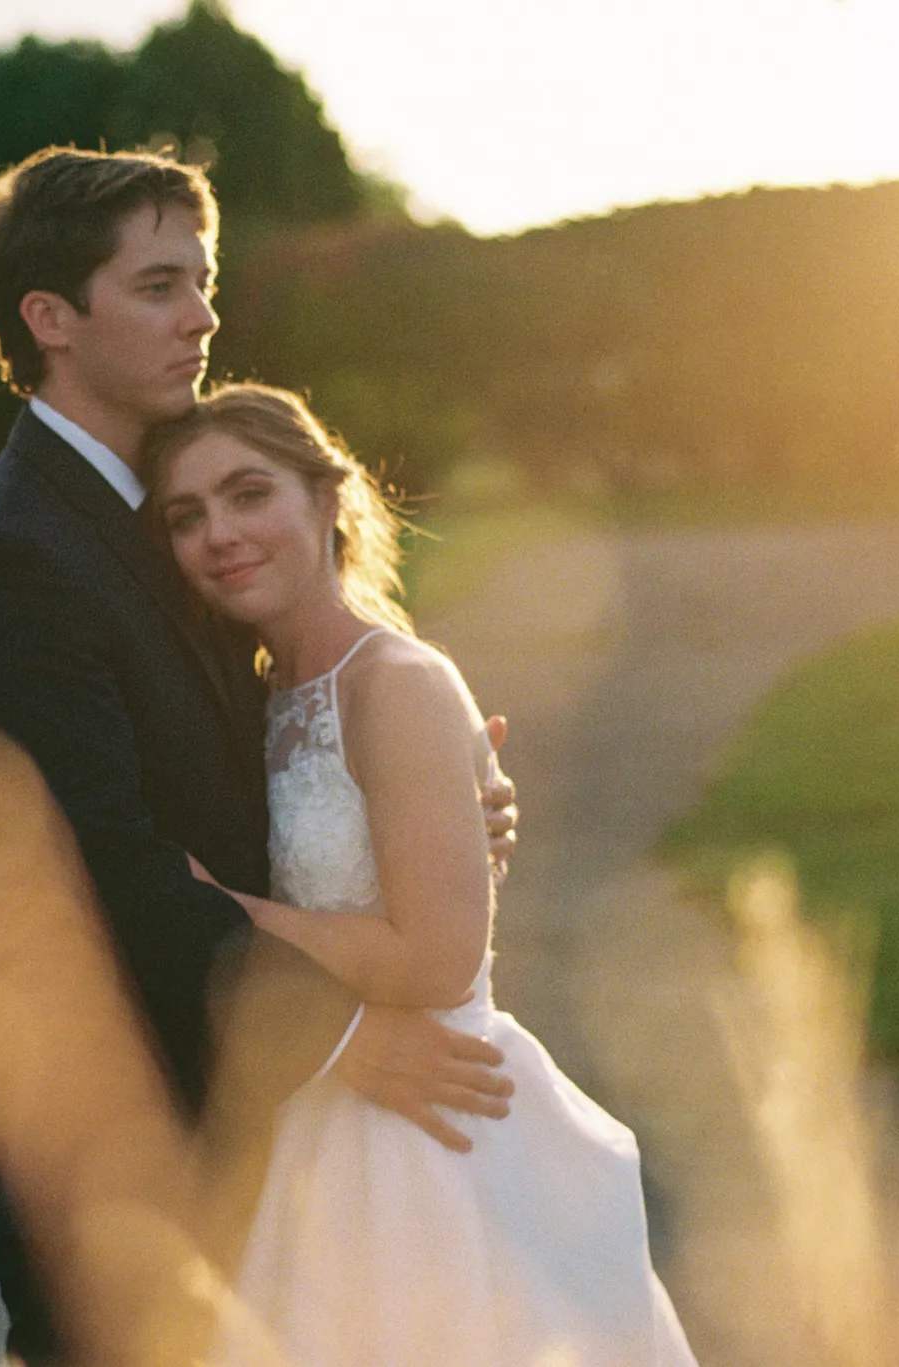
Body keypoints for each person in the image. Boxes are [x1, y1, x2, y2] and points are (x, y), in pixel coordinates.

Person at [0, 147, 521, 1366]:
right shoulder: (13, 559)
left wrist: (421, 780)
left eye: (202, 278)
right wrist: (346, 1038)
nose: (203, 314)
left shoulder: (164, 504)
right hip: (122, 1115)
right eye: (156, 286)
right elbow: (103, 873)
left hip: (257, 1107)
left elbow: (263, 723)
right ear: (51, 320)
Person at [145, 382, 699, 1366]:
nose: (218, 532)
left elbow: (437, 959)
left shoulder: (395, 684)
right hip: (304, 1113)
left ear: (326, 500)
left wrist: (221, 908)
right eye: (186, 516)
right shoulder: (252, 697)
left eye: (246, 493)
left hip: (424, 1138)